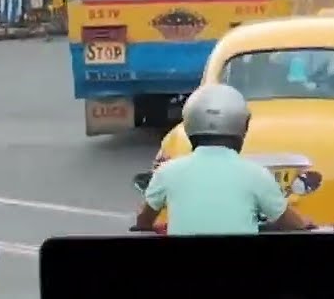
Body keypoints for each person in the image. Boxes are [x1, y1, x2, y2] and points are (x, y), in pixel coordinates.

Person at [133, 84, 314, 235]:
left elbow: (143, 221)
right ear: (242, 127)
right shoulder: (257, 174)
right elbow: (289, 221)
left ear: (190, 123)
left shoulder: (166, 172)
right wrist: (305, 223)